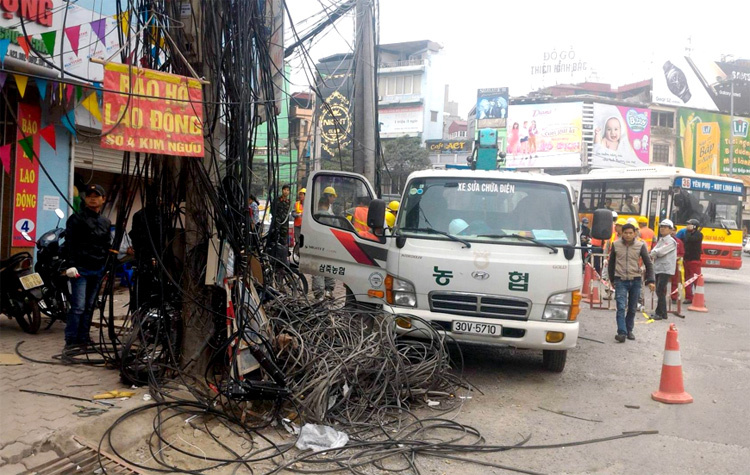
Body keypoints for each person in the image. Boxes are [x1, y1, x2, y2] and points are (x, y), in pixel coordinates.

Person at [61, 184, 112, 359]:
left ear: (103, 199)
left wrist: (107, 267)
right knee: (78, 307)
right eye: (89, 195)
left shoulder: (105, 222)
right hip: (80, 269)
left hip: (97, 269)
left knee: (90, 306)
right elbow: (70, 244)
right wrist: (70, 265)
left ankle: (84, 338)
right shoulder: (76, 219)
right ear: (85, 199)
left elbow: (106, 246)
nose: (92, 198)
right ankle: (71, 340)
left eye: (96, 196)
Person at [608, 223, 655, 342]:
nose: (628, 235)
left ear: (635, 233)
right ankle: (622, 332)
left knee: (632, 308)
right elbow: (611, 263)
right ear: (621, 233)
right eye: (625, 233)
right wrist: (612, 280)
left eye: (630, 233)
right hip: (620, 280)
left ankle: (629, 330)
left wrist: (651, 280)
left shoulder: (640, 245)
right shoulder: (615, 244)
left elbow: (648, 263)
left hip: (635, 280)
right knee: (621, 306)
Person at [650, 220, 677, 321]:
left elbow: (660, 252)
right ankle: (661, 312)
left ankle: (661, 313)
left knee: (660, 290)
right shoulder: (661, 240)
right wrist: (654, 252)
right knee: (659, 290)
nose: (662, 228)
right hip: (658, 268)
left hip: (665, 269)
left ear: (671, 230)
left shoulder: (671, 241)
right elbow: (654, 251)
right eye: (661, 226)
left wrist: (654, 252)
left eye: (665, 227)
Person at [313, 187, 337, 299]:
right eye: (333, 197)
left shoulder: (314, 216)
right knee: (329, 267)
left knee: (318, 269)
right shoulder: (330, 216)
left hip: (317, 245)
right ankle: (328, 291)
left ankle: (319, 295)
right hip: (330, 246)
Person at [680, 218, 703, 304]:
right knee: (687, 279)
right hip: (687, 260)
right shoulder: (687, 234)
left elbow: (690, 239)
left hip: (694, 260)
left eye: (689, 225)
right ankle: (689, 297)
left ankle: (699, 296)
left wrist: (688, 232)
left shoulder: (698, 235)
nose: (687, 226)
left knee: (696, 279)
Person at [269, 184, 292, 264]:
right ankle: (273, 255)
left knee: (283, 239)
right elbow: (272, 211)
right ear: (282, 190)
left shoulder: (289, 202)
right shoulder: (277, 200)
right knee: (274, 237)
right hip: (277, 222)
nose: (286, 191)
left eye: (288, 190)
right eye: (285, 189)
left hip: (284, 223)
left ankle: (282, 256)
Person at [670, 227, 685, 304]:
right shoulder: (663, 241)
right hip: (665, 264)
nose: (672, 232)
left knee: (675, 281)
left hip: (675, 264)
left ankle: (674, 297)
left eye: (674, 230)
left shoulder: (679, 242)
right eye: (671, 230)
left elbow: (682, 253)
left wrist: (678, 257)